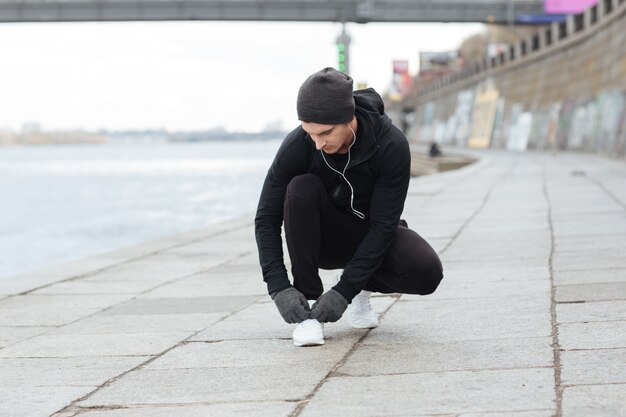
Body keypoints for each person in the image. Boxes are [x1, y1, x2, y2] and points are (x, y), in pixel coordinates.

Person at [255, 67, 443, 347]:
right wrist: (279, 287)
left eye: (325, 133)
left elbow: (382, 227)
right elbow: (266, 218)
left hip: (372, 233)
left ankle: (361, 286)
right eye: (310, 133)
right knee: (301, 187)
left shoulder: (391, 144)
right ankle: (309, 311)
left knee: (427, 272)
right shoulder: (298, 145)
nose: (317, 144)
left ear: (348, 118)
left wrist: (345, 290)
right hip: (324, 240)